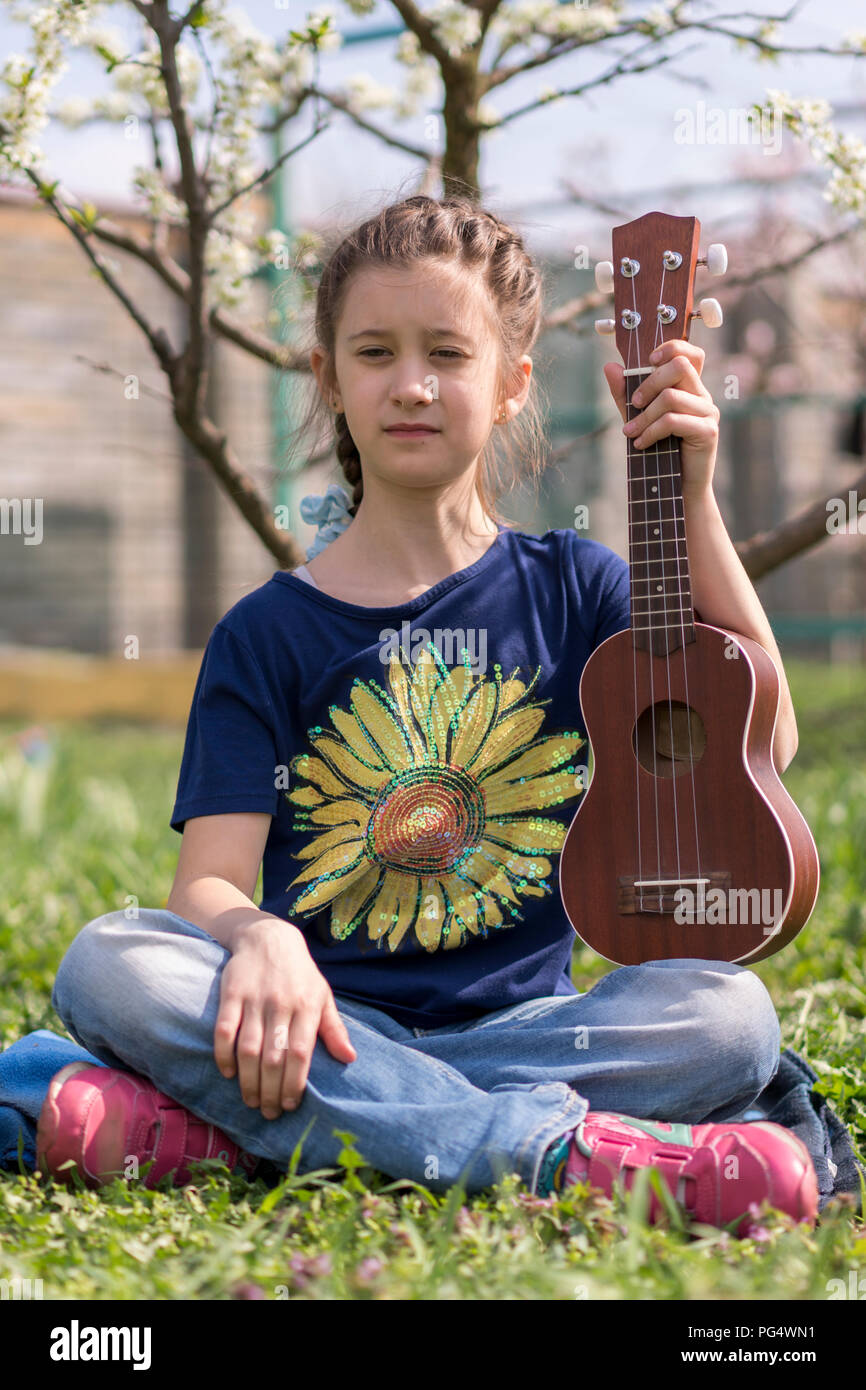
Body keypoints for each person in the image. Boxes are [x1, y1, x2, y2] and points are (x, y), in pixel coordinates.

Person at [38, 194, 818, 1234]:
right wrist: (258, 934)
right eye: (373, 352)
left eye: (447, 353)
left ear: (509, 385)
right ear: (328, 378)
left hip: (535, 1031)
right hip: (324, 1019)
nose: (410, 384)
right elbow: (208, 881)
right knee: (111, 963)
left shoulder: (574, 588)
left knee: (727, 1020)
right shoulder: (265, 633)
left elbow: (764, 738)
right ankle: (564, 1155)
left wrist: (695, 493)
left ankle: (240, 1131)